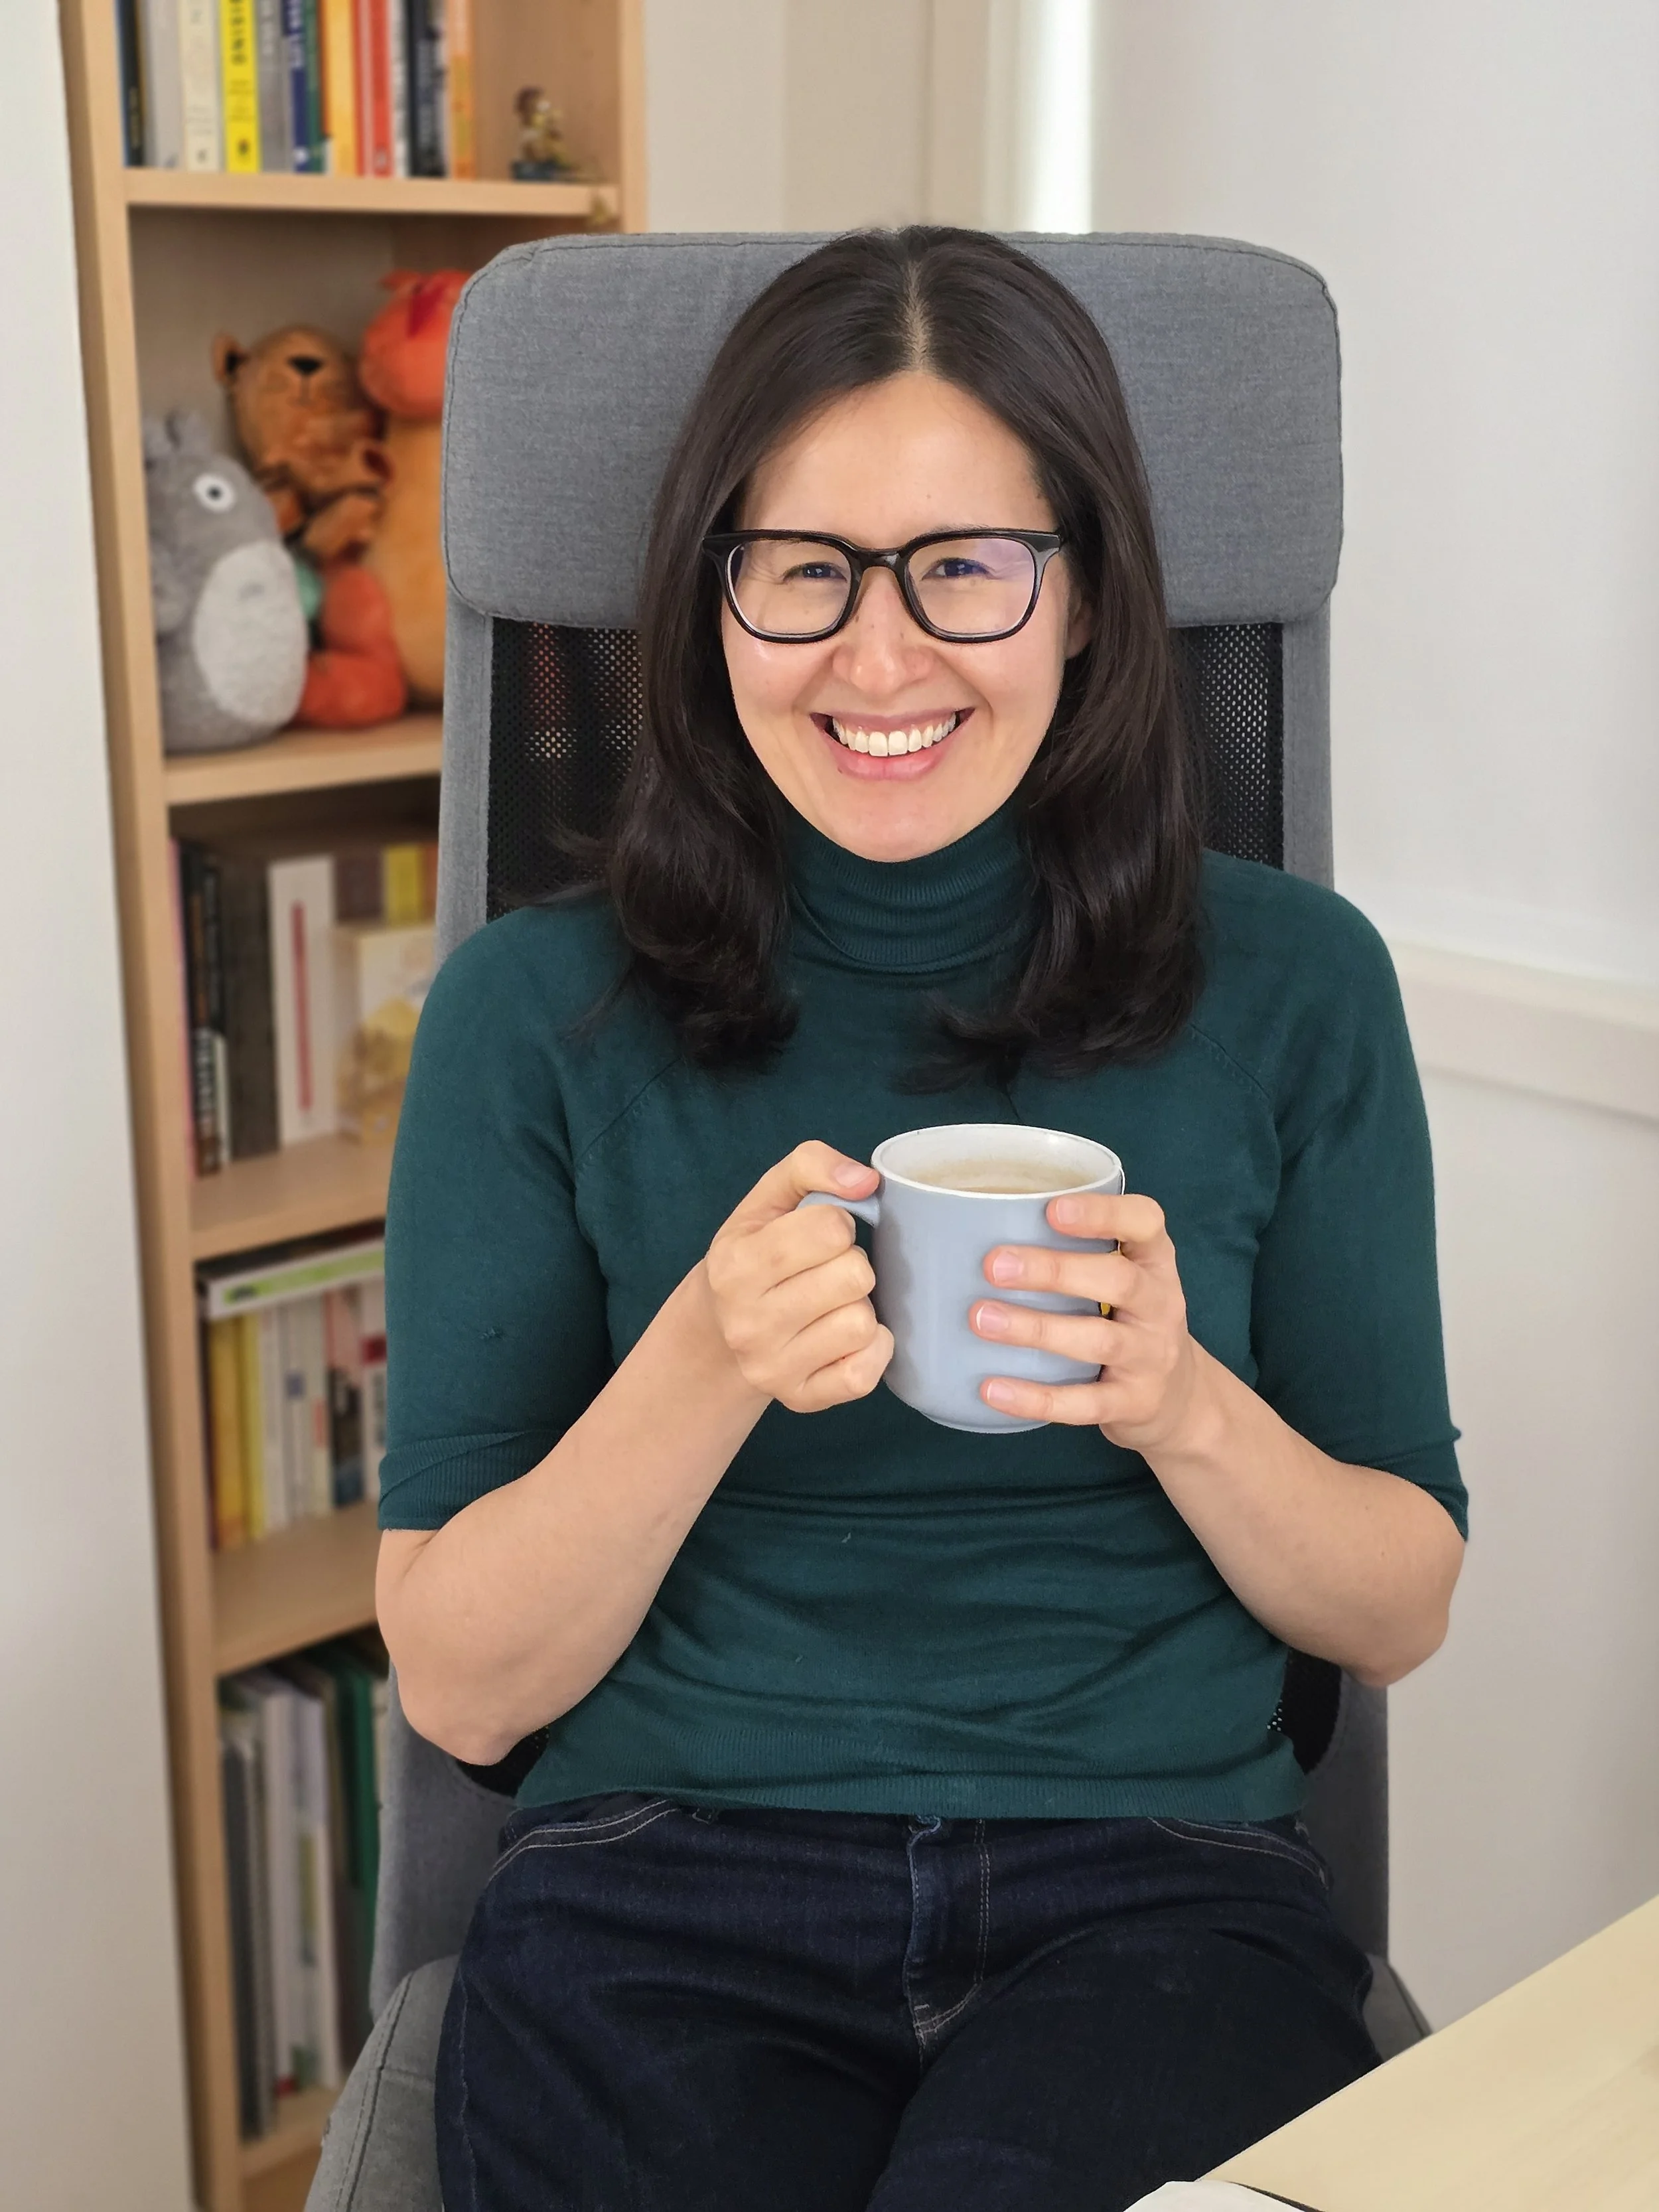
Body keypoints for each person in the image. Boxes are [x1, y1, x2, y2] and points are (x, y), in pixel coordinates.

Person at [376, 226, 1467, 2212]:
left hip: (1161, 1886)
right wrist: (699, 1366)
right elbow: (457, 1680)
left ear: (1085, 596)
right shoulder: (533, 1014)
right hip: (660, 1888)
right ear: (710, 604)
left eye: (964, 564)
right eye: (803, 570)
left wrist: (1178, 1401)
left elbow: (1394, 1597)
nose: (878, 659)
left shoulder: (1297, 986)